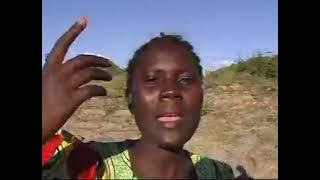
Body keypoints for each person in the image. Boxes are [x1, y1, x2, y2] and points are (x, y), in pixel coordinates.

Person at [42, 17, 236, 179]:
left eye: (185, 80)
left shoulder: (220, 173)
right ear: (130, 98)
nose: (170, 91)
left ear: (201, 94)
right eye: (152, 80)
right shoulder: (85, 164)